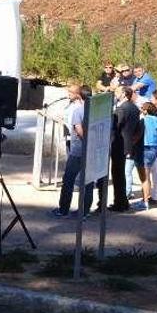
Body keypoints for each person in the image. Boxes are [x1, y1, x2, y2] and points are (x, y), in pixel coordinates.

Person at [50, 85, 93, 218]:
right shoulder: (94, 110)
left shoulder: (78, 111)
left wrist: (87, 140)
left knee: (68, 180)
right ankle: (85, 212)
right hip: (91, 150)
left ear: (79, 96)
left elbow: (79, 130)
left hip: (78, 151)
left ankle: (63, 210)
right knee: (88, 182)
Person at [108, 86, 140, 212]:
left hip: (119, 143)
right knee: (120, 173)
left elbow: (116, 125)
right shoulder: (134, 107)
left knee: (117, 174)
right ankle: (123, 202)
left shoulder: (122, 108)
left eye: (117, 92)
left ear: (123, 94)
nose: (115, 94)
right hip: (127, 143)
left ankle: (119, 203)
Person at [133, 102, 157, 211]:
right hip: (154, 149)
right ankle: (146, 198)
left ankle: (145, 201)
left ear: (146, 110)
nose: (141, 110)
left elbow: (138, 135)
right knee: (147, 176)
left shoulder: (143, 121)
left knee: (144, 178)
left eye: (142, 108)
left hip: (145, 149)